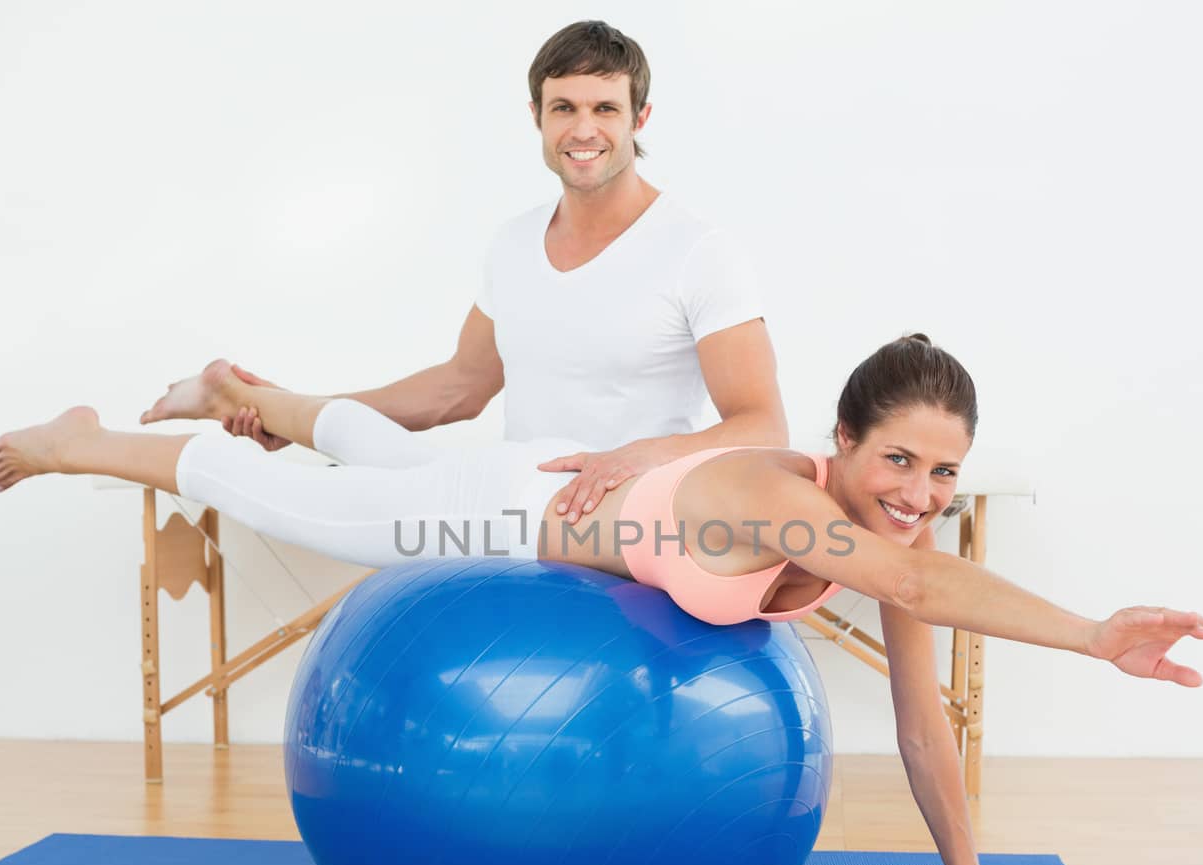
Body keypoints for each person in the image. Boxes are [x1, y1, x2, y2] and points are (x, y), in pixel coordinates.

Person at [0, 333, 1203, 865]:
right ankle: (77, 437)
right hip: (514, 507)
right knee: (308, 501)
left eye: (941, 470)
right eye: (896, 459)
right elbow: (913, 577)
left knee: (368, 445)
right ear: (837, 441)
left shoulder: (878, 530)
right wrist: (1094, 634)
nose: (918, 491)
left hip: (577, 483)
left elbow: (918, 720)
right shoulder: (786, 501)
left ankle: (235, 381)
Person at [221, 20, 788, 524]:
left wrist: (639, 454)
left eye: (605, 108)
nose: (583, 129)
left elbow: (762, 426)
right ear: (537, 116)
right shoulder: (513, 243)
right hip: (524, 515)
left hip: (639, 521)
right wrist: (308, 413)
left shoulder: (698, 250)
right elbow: (459, 389)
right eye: (564, 107)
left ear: (640, 117)